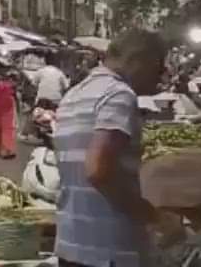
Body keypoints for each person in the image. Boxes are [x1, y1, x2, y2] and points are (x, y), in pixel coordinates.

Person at [54, 29, 168, 267]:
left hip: (70, 243)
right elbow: (98, 171)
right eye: (157, 68)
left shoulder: (74, 93)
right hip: (108, 250)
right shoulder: (118, 95)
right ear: (138, 60)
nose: (159, 77)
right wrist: (153, 216)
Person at [0, 64, 18, 159]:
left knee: (7, 128)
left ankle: (7, 149)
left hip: (7, 106)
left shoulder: (12, 76)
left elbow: (15, 91)